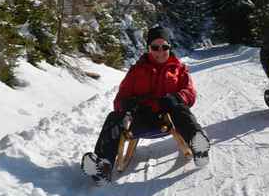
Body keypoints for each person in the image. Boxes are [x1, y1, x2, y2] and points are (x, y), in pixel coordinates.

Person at [86, 26, 210, 181]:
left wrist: (177, 97)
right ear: (148, 48)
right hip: (140, 117)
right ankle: (103, 166)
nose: (160, 51)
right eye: (155, 47)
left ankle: (199, 146)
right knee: (115, 116)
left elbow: (190, 91)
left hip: (168, 116)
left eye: (164, 47)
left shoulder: (179, 69)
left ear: (169, 47)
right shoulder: (136, 70)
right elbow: (120, 98)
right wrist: (126, 104)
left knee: (180, 108)